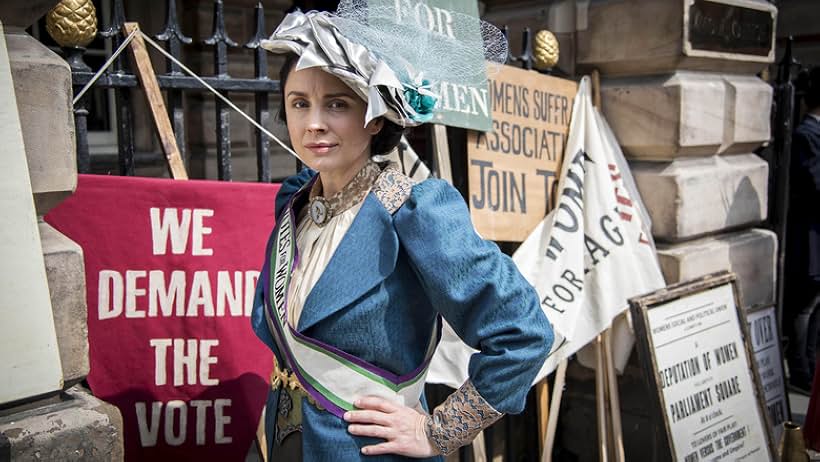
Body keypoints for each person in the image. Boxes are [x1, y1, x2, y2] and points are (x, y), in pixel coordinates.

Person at [250, 4, 554, 461]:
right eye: (299, 103)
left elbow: (524, 333)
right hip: (283, 441)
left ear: (374, 117)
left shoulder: (415, 209)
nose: (313, 122)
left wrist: (439, 432)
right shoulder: (294, 202)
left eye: (337, 103)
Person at [785, 66, 820, 393]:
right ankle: (800, 370)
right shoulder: (806, 135)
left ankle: (809, 367)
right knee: (804, 308)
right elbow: (814, 184)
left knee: (814, 308)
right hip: (809, 237)